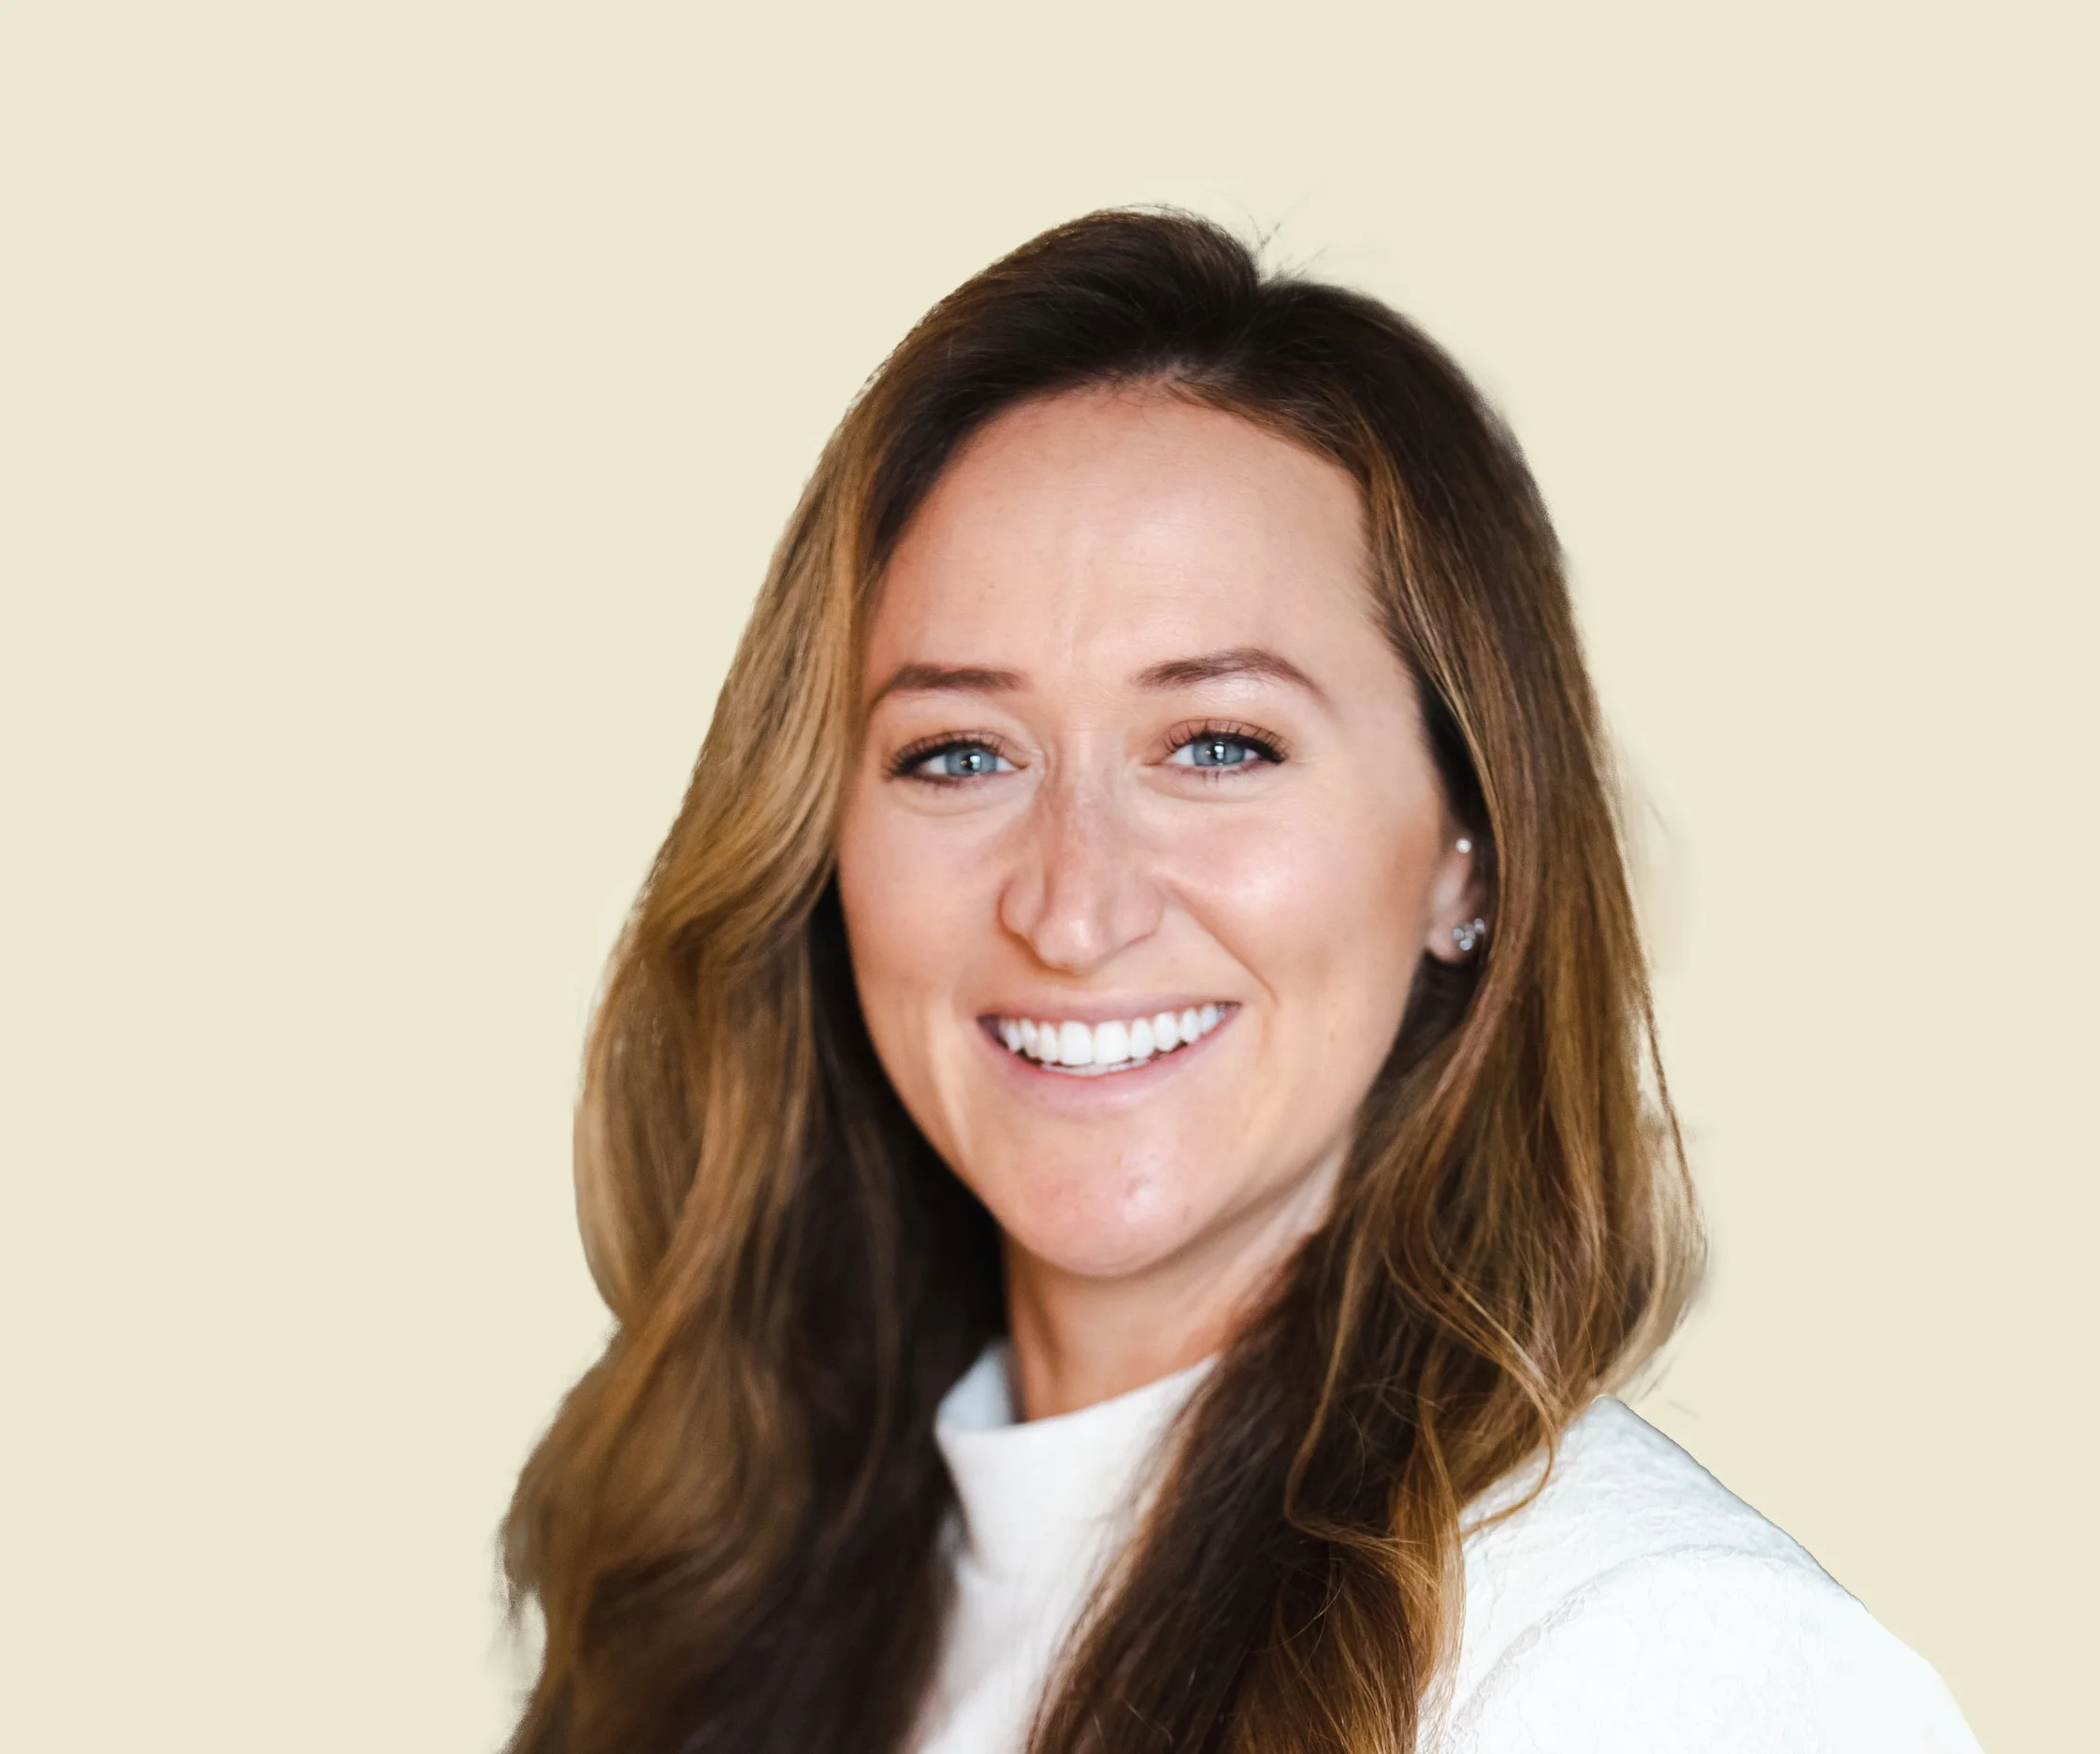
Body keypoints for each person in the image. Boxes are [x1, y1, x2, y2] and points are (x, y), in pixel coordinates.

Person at [500, 209, 1981, 1754]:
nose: (1072, 908)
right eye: (958, 752)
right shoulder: (731, 1579)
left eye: (1219, 745)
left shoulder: (1672, 1665)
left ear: (1466, 855)